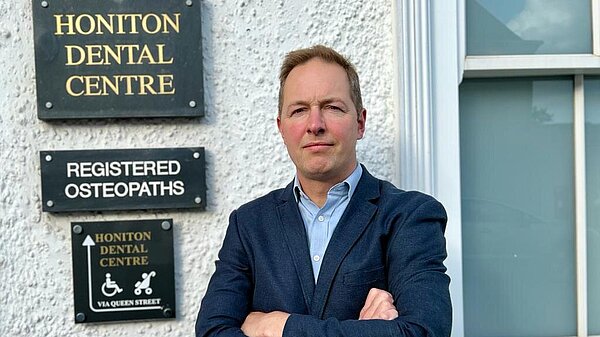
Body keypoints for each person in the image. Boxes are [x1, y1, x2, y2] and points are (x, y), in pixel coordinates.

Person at [195, 45, 451, 337]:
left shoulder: (409, 217)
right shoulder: (249, 225)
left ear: (360, 122)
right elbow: (211, 332)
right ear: (281, 128)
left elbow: (424, 331)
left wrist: (279, 327)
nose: (315, 125)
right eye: (299, 110)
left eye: (332, 107)